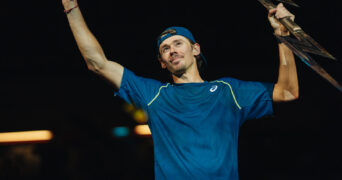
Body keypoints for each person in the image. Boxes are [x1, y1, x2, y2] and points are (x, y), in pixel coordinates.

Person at [62, 0, 298, 179]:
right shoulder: (153, 94)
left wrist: (283, 36)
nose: (172, 50)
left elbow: (288, 92)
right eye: (165, 49)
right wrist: (71, 6)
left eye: (177, 43)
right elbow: (97, 63)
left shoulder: (229, 91)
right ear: (162, 62)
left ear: (195, 49)